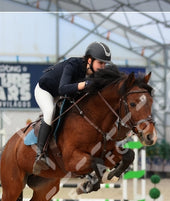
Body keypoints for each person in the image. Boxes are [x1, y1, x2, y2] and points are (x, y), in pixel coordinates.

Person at [32, 41, 112, 174]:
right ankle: (40, 154)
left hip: (62, 95)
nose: (103, 67)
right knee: (50, 111)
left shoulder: (94, 73)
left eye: (105, 64)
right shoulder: (73, 65)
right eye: (100, 63)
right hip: (45, 91)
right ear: (90, 60)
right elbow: (63, 88)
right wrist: (83, 84)